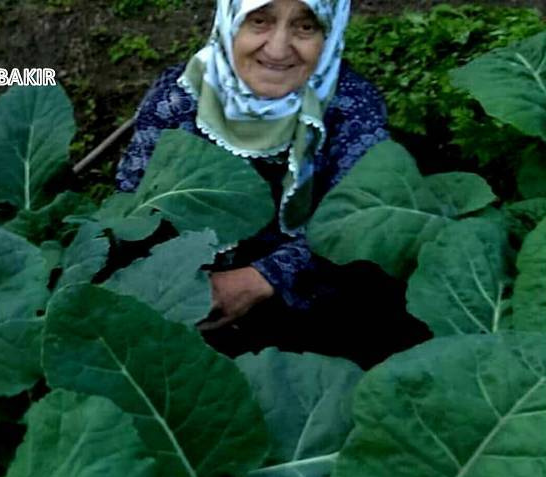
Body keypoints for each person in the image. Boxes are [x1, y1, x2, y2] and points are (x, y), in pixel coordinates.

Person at [116, 0, 430, 369]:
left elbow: (362, 224)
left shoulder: (351, 107)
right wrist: (173, 279)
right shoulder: (179, 97)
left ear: (330, 31)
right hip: (185, 301)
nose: (279, 48)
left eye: (305, 27)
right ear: (230, 21)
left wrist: (259, 279)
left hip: (310, 319)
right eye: (259, 21)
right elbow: (131, 204)